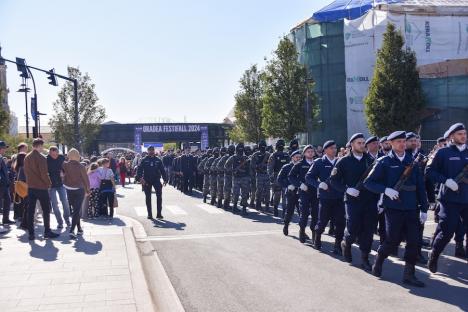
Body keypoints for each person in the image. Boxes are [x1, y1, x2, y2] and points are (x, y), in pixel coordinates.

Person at [365, 131, 428, 287]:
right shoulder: (384, 162)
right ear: (390, 143)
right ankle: (379, 258)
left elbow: (420, 186)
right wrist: (386, 190)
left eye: (403, 141)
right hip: (393, 208)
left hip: (411, 208)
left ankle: (409, 274)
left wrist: (424, 209)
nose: (402, 143)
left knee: (414, 241)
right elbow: (369, 182)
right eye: (398, 141)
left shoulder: (411, 161)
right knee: (393, 240)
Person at [329, 133, 378, 271]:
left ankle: (364, 258)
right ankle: (346, 243)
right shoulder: (343, 161)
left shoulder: (371, 160)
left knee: (368, 230)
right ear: (352, 145)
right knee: (353, 228)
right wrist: (347, 190)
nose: (362, 145)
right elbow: (333, 180)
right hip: (352, 201)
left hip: (369, 200)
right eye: (359, 143)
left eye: (363, 143)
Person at [426, 123, 468, 273]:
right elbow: (429, 171)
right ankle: (434, 255)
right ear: (451, 137)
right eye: (460, 134)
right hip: (449, 199)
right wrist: (446, 181)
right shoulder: (443, 153)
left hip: (466, 198)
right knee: (447, 231)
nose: (463, 136)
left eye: (464, 133)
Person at [306, 140, 344, 254]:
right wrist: (319, 184)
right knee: (322, 221)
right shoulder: (319, 162)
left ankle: (337, 245)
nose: (334, 150)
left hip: (339, 196)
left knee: (340, 222)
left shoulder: (340, 161)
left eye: (335, 148)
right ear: (325, 150)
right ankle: (317, 238)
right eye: (332, 148)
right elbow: (309, 177)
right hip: (325, 197)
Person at [23, 138, 59, 240]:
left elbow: (26, 173)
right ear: (39, 146)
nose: (42, 148)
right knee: (46, 210)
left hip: (31, 187)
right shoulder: (42, 158)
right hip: (41, 187)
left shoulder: (27, 157)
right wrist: (49, 183)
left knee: (31, 210)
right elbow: (44, 174)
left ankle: (31, 233)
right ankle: (47, 231)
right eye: (42, 146)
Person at [289, 145, 318, 244]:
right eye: (308, 151)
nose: (310, 153)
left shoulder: (317, 163)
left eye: (312, 151)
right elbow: (291, 177)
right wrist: (300, 184)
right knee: (304, 213)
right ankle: (302, 231)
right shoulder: (299, 164)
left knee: (315, 213)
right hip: (304, 192)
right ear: (304, 153)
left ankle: (314, 233)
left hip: (315, 191)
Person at [62, 149, 90, 239]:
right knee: (76, 210)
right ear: (78, 156)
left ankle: (79, 228)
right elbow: (85, 179)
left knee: (75, 210)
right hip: (79, 189)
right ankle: (72, 230)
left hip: (69, 189)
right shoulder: (81, 166)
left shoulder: (65, 165)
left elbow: (62, 173)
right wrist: (88, 190)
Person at [136, 145, 168, 219]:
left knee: (159, 197)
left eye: (152, 150)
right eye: (150, 150)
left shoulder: (158, 160)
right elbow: (139, 170)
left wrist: (165, 179)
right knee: (148, 197)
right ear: (148, 151)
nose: (151, 151)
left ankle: (159, 214)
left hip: (156, 179)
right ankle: (149, 214)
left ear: (154, 151)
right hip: (146, 180)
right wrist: (140, 178)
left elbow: (162, 170)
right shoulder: (143, 160)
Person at [279, 150, 302, 236]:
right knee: (289, 211)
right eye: (297, 157)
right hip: (291, 192)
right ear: (292, 158)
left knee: (302, 212)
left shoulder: (302, 166)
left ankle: (302, 230)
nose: (298, 159)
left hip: (301, 192)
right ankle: (286, 225)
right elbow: (280, 179)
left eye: (300, 157)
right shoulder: (286, 167)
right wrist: (288, 185)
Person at [47, 146, 71, 228]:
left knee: (65, 202)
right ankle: (59, 222)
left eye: (55, 154)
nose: (53, 156)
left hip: (61, 183)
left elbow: (67, 169)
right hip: (51, 185)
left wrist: (63, 173)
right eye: (51, 154)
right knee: (55, 204)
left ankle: (67, 219)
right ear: (49, 153)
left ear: (57, 152)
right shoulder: (46, 159)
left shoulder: (61, 158)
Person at [268, 140, 290, 217]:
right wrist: (271, 177)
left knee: (283, 194)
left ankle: (281, 210)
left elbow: (290, 166)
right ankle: (276, 209)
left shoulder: (286, 155)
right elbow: (270, 168)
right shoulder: (274, 155)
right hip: (278, 176)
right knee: (280, 194)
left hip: (282, 177)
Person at [228, 143, 250, 214]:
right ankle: (234, 207)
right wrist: (233, 170)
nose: (240, 150)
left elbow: (249, 168)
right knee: (235, 194)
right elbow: (226, 166)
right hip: (236, 178)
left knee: (244, 194)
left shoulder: (246, 158)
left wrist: (248, 176)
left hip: (244, 178)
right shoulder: (233, 157)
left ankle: (244, 208)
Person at [251, 140, 271, 211]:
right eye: (262, 146)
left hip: (267, 174)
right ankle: (258, 205)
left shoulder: (269, 154)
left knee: (267, 191)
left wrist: (265, 166)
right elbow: (252, 165)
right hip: (259, 174)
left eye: (264, 146)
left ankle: (267, 206)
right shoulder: (255, 155)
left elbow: (271, 164)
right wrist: (258, 167)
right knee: (259, 190)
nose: (263, 147)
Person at [0, 141, 14, 226]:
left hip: (4, 184)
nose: (5, 149)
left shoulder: (1, 157)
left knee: (7, 201)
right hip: (1, 184)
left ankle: (5, 219)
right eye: (4, 148)